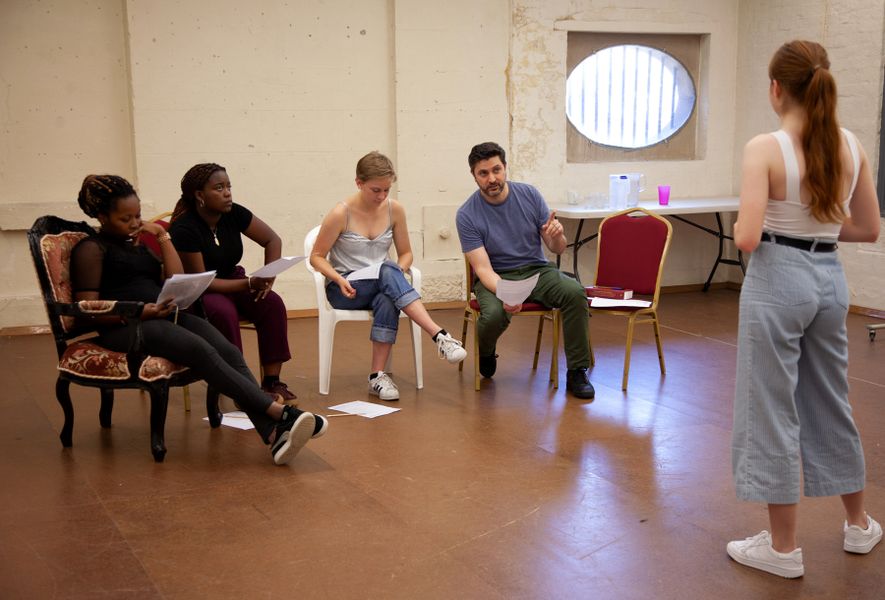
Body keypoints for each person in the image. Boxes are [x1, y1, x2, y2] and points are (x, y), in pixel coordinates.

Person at [727, 40, 881, 578]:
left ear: (776, 89)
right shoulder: (851, 144)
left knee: (769, 406)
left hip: (778, 279)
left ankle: (784, 549)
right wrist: (816, 226)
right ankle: (860, 526)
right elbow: (868, 228)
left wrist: (780, 225)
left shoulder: (764, 148)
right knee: (830, 401)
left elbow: (746, 238)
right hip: (829, 279)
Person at [70, 174, 328, 465]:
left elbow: (174, 277)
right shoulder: (92, 249)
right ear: (102, 216)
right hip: (126, 326)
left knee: (227, 349)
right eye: (125, 218)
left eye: (138, 216)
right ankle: (280, 415)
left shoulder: (137, 244)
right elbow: (88, 307)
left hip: (161, 316)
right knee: (200, 350)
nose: (134, 224)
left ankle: (272, 434)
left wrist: (161, 235)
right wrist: (141, 311)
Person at [309, 151, 467, 401]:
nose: (382, 196)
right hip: (345, 288)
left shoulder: (395, 210)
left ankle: (377, 376)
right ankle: (440, 335)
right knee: (387, 270)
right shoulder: (341, 213)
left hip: (382, 284)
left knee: (387, 295)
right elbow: (316, 257)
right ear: (359, 183)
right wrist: (338, 279)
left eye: (386, 190)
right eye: (375, 190)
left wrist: (395, 272)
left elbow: (406, 254)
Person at [455, 142, 595, 399]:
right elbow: (483, 269)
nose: (492, 178)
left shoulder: (529, 195)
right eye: (483, 173)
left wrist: (557, 236)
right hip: (497, 275)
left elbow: (558, 248)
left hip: (537, 271)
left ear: (506, 168)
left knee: (575, 292)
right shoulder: (467, 214)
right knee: (494, 314)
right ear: (474, 176)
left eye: (496, 170)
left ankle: (577, 370)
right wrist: (508, 292)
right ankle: (486, 350)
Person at [168, 163, 297, 403]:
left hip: (234, 279)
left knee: (272, 303)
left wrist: (268, 277)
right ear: (199, 195)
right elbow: (203, 283)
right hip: (201, 291)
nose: (227, 193)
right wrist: (249, 284)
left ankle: (272, 382)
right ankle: (242, 387)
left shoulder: (233, 213)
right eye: (219, 188)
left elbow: (272, 239)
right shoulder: (184, 228)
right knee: (223, 312)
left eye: (228, 186)